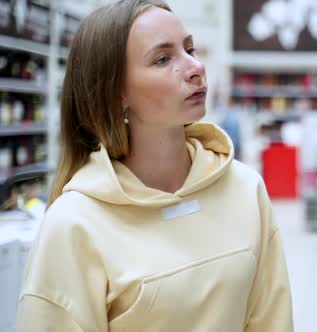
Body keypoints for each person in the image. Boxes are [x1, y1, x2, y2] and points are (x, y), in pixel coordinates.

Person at [15, 0, 293, 331]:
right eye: (163, 59)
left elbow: (271, 320)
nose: (195, 67)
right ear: (116, 92)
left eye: (190, 49)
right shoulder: (74, 225)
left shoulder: (245, 190)